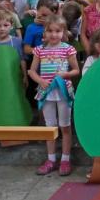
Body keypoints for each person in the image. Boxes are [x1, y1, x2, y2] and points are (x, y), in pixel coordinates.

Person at [28, 15, 79, 176]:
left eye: (57, 31)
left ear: (63, 32)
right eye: (50, 31)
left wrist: (65, 74)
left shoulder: (68, 49)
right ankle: (51, 159)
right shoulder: (39, 50)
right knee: (50, 127)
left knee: (65, 126)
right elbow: (31, 71)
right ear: (44, 32)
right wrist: (40, 81)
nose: (53, 34)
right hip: (46, 92)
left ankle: (65, 159)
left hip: (63, 92)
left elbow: (76, 70)